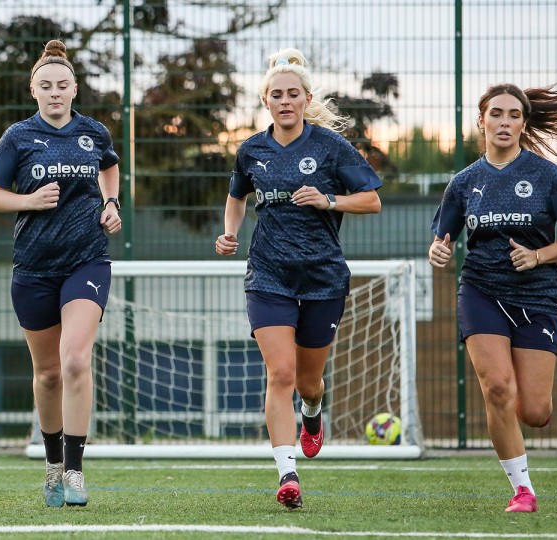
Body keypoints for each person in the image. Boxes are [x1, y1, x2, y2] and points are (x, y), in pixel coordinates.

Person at [215, 48, 382, 510]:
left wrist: (329, 201)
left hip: (323, 279)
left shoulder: (331, 147)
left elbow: (370, 200)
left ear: (306, 100)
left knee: (309, 383)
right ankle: (287, 473)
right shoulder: (251, 149)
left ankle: (313, 415)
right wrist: (229, 233)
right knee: (280, 373)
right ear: (264, 101)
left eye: (293, 94)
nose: (285, 101)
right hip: (267, 276)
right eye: (276, 95)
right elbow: (236, 197)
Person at [429, 83, 557, 513]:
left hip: (537, 295)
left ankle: (523, 421)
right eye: (497, 114)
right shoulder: (464, 183)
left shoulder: (545, 175)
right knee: (497, 388)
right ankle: (523, 490)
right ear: (481, 121)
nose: (505, 122)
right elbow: (441, 240)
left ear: (524, 122)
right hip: (481, 291)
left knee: (535, 411)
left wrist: (538, 255)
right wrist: (438, 250)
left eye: (514, 115)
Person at [0, 39, 122, 508]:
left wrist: (110, 203)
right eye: (46, 86)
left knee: (76, 360)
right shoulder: (18, 137)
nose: (55, 93)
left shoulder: (94, 133)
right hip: (33, 267)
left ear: (76, 88)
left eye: (63, 85)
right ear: (33, 91)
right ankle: (52, 465)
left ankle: (77, 472)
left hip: (87, 260)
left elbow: (109, 169)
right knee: (47, 374)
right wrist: (28, 200)